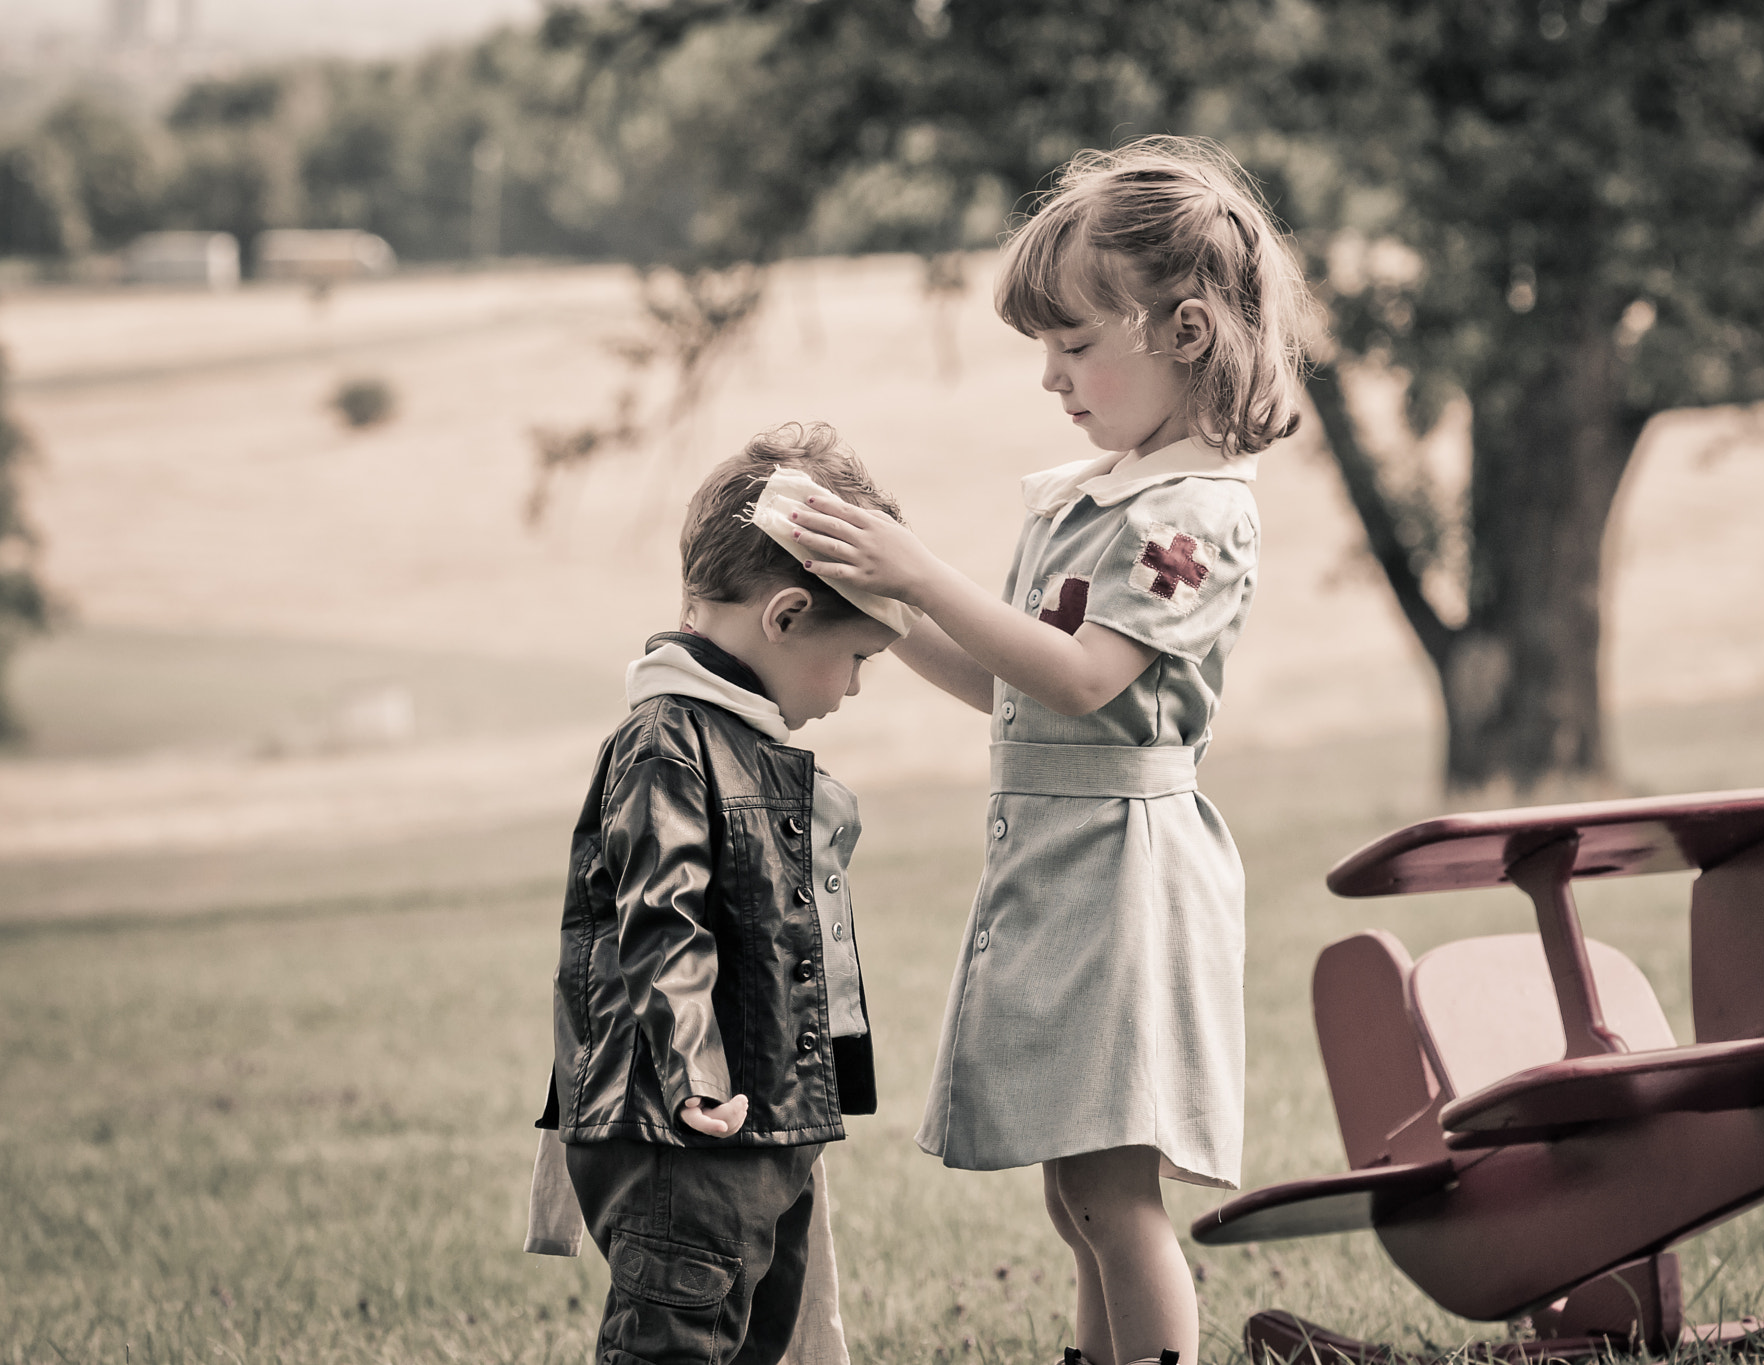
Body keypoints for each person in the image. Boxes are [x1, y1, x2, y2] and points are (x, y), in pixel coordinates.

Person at [786, 137, 1314, 1365]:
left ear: (1184, 331)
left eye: (1076, 344)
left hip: (1127, 879)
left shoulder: (1192, 512)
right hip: (1064, 863)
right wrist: (886, 604)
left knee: (1116, 1198)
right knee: (1073, 1197)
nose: (1051, 377)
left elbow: (1081, 675)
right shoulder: (1092, 496)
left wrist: (922, 569)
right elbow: (1009, 683)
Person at [524, 422, 920, 1365]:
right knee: (676, 1337)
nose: (857, 687)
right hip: (684, 1131)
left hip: (755, 1127)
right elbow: (662, 920)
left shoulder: (745, 742)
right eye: (857, 656)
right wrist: (696, 1072)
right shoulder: (669, 740)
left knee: (756, 1335)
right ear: (784, 617)